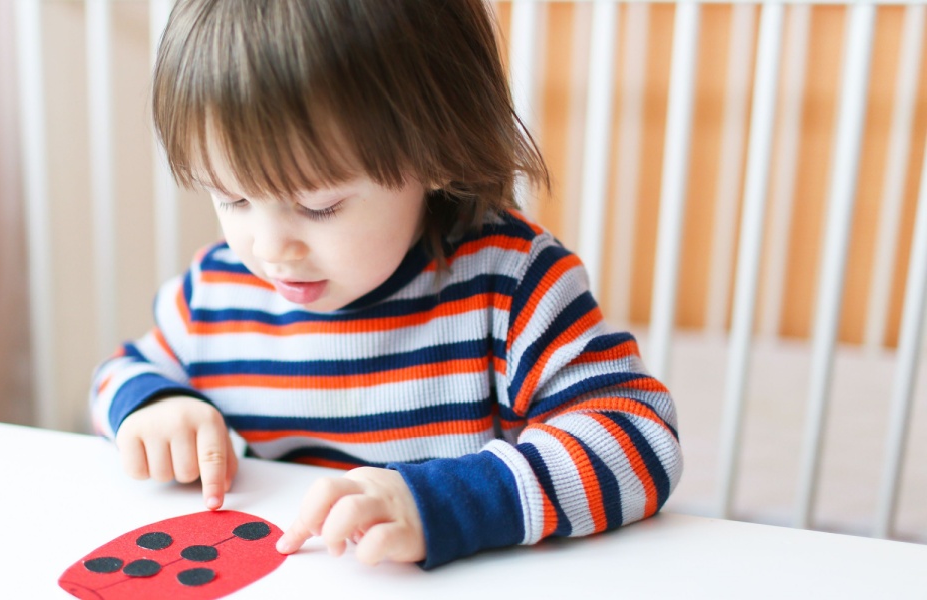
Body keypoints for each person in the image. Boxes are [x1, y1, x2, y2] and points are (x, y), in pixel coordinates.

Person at [91, 0, 682, 569]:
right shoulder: (214, 295)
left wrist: (445, 504)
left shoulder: (511, 286)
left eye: (318, 205)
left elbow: (639, 438)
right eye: (233, 198)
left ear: (434, 153)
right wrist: (155, 406)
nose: (269, 250)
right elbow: (119, 372)